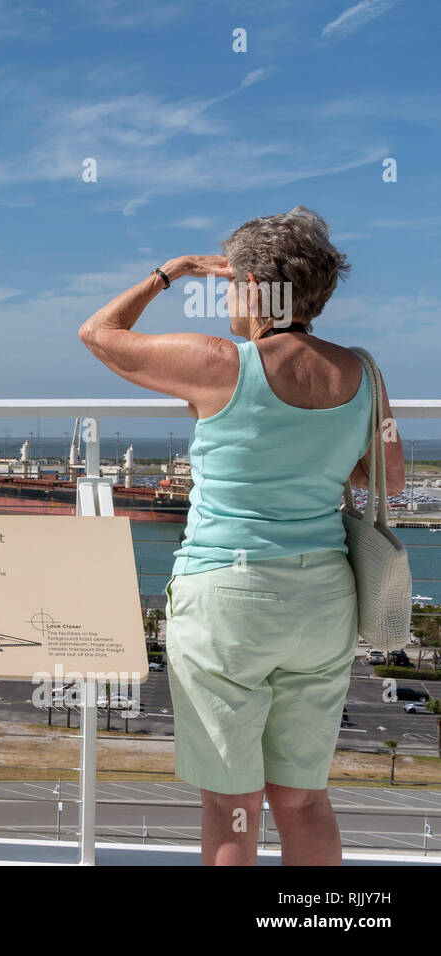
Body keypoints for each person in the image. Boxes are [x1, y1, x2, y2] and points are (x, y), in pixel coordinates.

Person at [77, 207, 405, 865]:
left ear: (254, 290)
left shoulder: (218, 364)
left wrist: (170, 272)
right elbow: (389, 479)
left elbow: (98, 333)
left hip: (228, 598)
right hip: (324, 598)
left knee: (232, 809)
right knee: (305, 801)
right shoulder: (364, 373)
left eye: (228, 283)